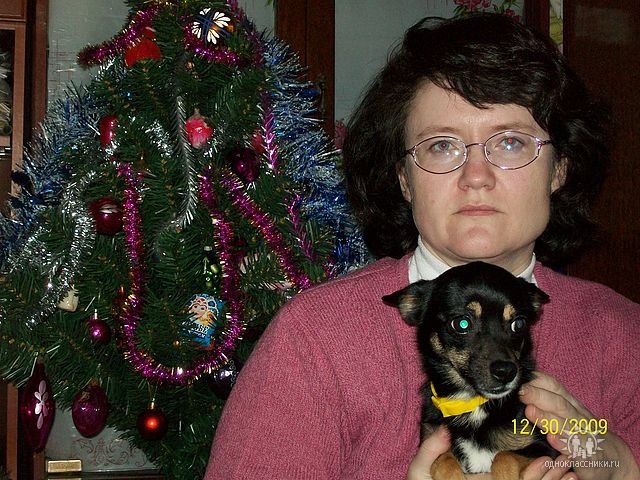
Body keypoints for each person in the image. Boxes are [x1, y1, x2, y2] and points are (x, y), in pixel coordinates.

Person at [204, 13, 640, 480]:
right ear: (403, 179)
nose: (476, 176)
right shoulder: (313, 339)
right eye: (441, 146)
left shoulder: (622, 333)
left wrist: (618, 466)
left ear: (559, 169)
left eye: (511, 142)